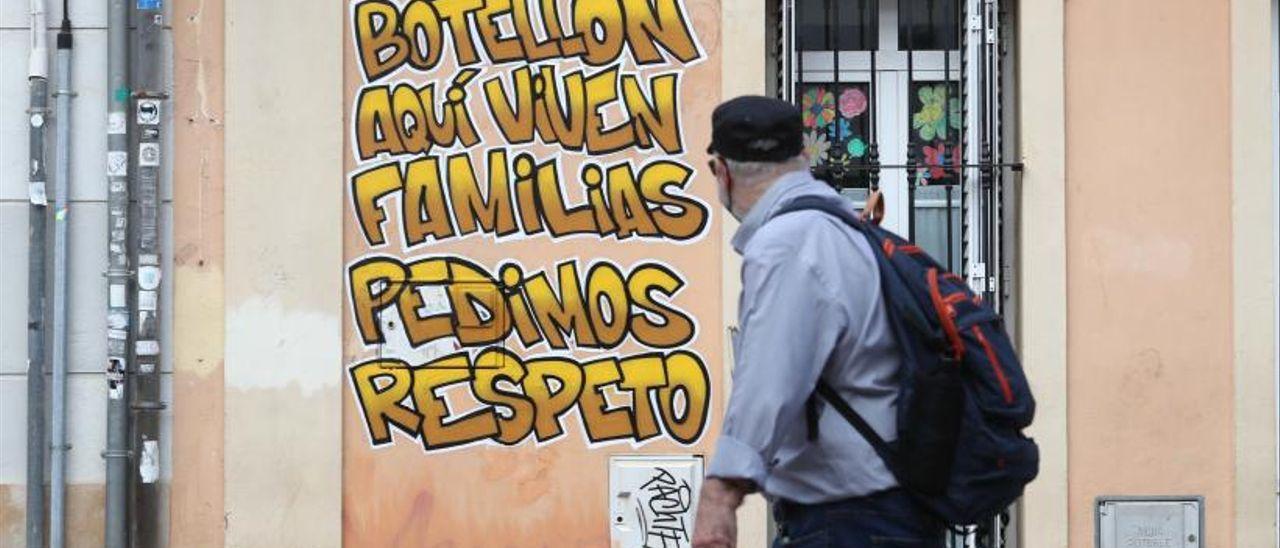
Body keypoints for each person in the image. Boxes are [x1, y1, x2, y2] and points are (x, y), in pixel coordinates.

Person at [691, 96, 945, 547]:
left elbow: (770, 379)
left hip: (851, 522)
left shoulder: (787, 243)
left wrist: (720, 494)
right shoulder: (843, 227)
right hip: (885, 516)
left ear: (721, 171)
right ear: (802, 159)